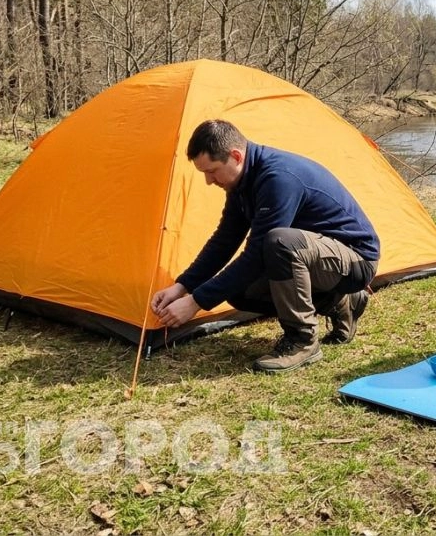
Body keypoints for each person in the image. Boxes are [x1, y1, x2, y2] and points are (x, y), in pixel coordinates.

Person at [151, 120, 380, 373]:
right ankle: (338, 301)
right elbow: (224, 240)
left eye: (212, 171)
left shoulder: (278, 178)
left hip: (356, 259)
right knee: (237, 290)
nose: (208, 180)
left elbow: (258, 254)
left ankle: (302, 341)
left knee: (279, 242)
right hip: (318, 260)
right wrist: (182, 287)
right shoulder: (241, 182)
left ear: (236, 156)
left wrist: (195, 302)